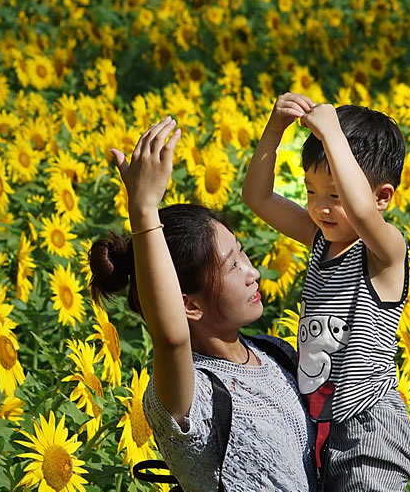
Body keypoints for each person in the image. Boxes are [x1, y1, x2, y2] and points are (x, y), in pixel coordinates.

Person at [89, 117, 316, 492]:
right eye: (232, 266)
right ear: (188, 306)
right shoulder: (189, 394)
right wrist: (144, 211)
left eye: (243, 255)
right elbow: (172, 338)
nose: (254, 273)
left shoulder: (276, 354)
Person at [243, 94, 410, 491]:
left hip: (370, 426)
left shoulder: (386, 253)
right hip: (323, 424)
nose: (320, 208)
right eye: (311, 192)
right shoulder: (319, 240)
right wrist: (275, 129)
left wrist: (333, 133)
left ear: (383, 197)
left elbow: (361, 212)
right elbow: (257, 198)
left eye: (334, 195)